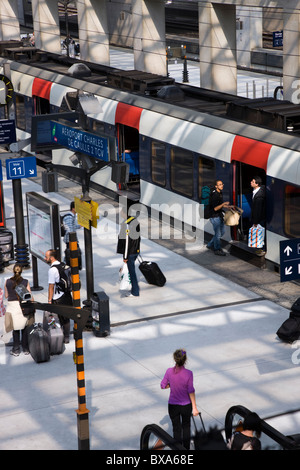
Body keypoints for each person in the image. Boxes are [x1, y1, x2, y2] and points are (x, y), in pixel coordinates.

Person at [161, 349, 199, 450]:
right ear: (185, 360)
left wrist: (171, 384)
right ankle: (186, 449)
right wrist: (194, 408)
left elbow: (162, 385)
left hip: (173, 406)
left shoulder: (169, 371)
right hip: (186, 406)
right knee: (186, 428)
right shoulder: (189, 373)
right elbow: (191, 390)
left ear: (175, 359)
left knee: (176, 429)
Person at [4, 263, 34, 356]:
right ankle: (25, 349)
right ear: (21, 271)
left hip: (12, 307)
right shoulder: (25, 281)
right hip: (23, 306)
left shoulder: (7, 282)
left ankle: (16, 349)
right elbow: (30, 296)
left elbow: (6, 295)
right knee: (24, 327)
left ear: (13, 270)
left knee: (15, 329)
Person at [45, 249, 72, 343]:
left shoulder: (52, 270)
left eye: (46, 257)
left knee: (60, 318)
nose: (45, 258)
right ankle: (66, 337)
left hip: (58, 297)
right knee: (66, 317)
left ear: (51, 258)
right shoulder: (63, 265)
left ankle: (62, 336)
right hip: (67, 294)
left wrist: (49, 300)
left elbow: (51, 286)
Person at [117, 205, 140, 297]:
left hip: (129, 253)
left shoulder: (126, 224)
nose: (120, 213)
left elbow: (126, 242)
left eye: (122, 212)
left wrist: (125, 256)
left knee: (131, 272)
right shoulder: (135, 221)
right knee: (132, 270)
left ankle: (135, 291)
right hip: (135, 250)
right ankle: (134, 289)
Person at [206, 180, 230, 256]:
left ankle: (209, 244)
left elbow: (220, 206)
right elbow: (215, 208)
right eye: (219, 185)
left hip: (219, 216)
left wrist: (228, 207)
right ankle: (217, 249)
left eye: (222, 184)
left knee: (221, 232)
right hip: (214, 217)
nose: (222, 185)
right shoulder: (215, 195)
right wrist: (223, 204)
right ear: (216, 186)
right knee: (218, 234)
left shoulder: (220, 193)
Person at [63, 201, 82, 269]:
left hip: (71, 239)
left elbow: (71, 226)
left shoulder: (72, 216)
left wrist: (78, 226)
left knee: (71, 253)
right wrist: (73, 240)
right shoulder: (69, 217)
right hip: (70, 240)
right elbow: (69, 230)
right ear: (73, 209)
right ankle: (72, 267)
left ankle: (71, 265)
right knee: (72, 253)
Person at [250, 176, 266, 254]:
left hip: (259, 218)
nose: (251, 182)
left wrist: (255, 221)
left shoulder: (259, 196)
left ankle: (261, 248)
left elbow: (258, 210)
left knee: (260, 233)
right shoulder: (256, 191)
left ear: (257, 184)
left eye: (253, 182)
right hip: (258, 218)